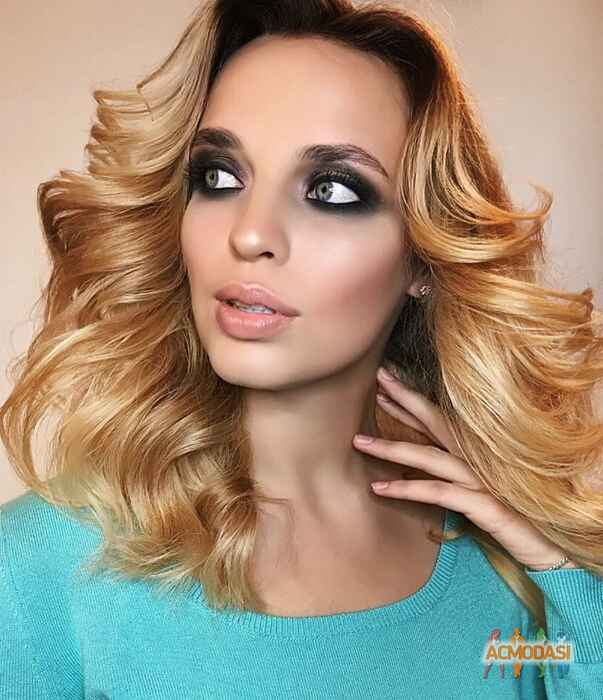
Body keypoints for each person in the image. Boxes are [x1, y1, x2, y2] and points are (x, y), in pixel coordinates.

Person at [1, 0, 602, 698]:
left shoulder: (509, 570)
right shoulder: (41, 572)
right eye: (218, 177)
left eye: (332, 190)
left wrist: (565, 576)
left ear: (422, 256)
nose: (250, 233)